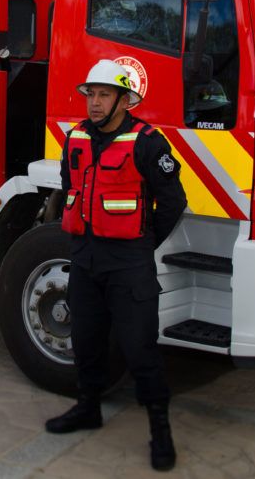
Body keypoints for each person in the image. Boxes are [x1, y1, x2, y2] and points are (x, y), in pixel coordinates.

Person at [46, 59, 187, 471]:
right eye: (90, 94)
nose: (94, 102)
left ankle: (160, 431)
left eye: (104, 94)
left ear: (124, 100)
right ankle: (87, 408)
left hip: (129, 264)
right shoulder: (74, 138)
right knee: (86, 342)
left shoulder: (147, 141)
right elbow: (71, 190)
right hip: (86, 259)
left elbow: (173, 201)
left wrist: (143, 244)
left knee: (140, 349)